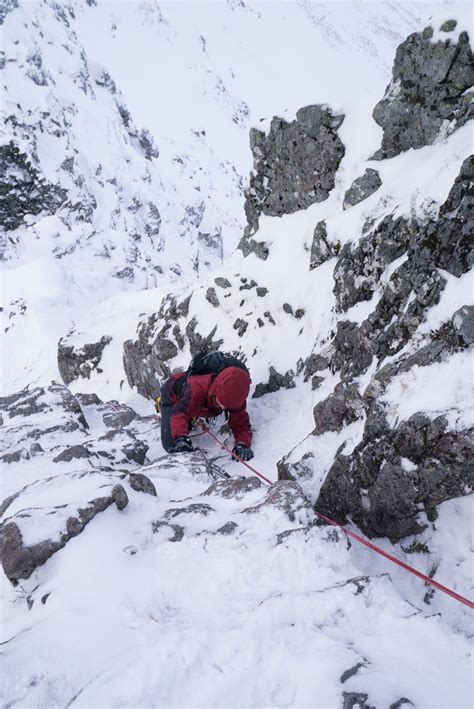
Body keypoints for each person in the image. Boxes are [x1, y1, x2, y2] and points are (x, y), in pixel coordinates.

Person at [160, 366, 254, 460]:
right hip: (172, 396)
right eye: (221, 402)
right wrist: (180, 438)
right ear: (216, 390)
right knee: (171, 445)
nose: (223, 407)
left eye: (227, 406)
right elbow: (180, 411)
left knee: (189, 411)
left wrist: (243, 443)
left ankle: (191, 418)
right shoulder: (197, 388)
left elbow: (240, 422)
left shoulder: (235, 397)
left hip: (193, 402)